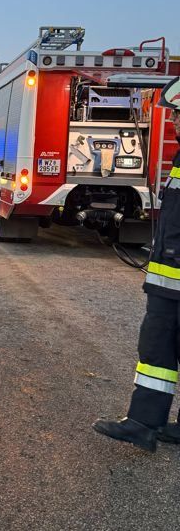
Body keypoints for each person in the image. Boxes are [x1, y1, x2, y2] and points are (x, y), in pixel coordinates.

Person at [93, 77, 180, 452]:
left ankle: (143, 424)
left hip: (173, 282)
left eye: (179, 114)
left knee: (157, 349)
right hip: (170, 275)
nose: (174, 121)